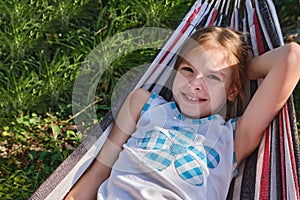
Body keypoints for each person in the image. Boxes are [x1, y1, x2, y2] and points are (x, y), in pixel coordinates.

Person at [65, 26, 300, 200]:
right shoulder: (143, 103)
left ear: (233, 91)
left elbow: (293, 57)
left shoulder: (234, 137)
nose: (195, 83)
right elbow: (99, 171)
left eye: (212, 77)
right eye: (188, 69)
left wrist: (235, 70)